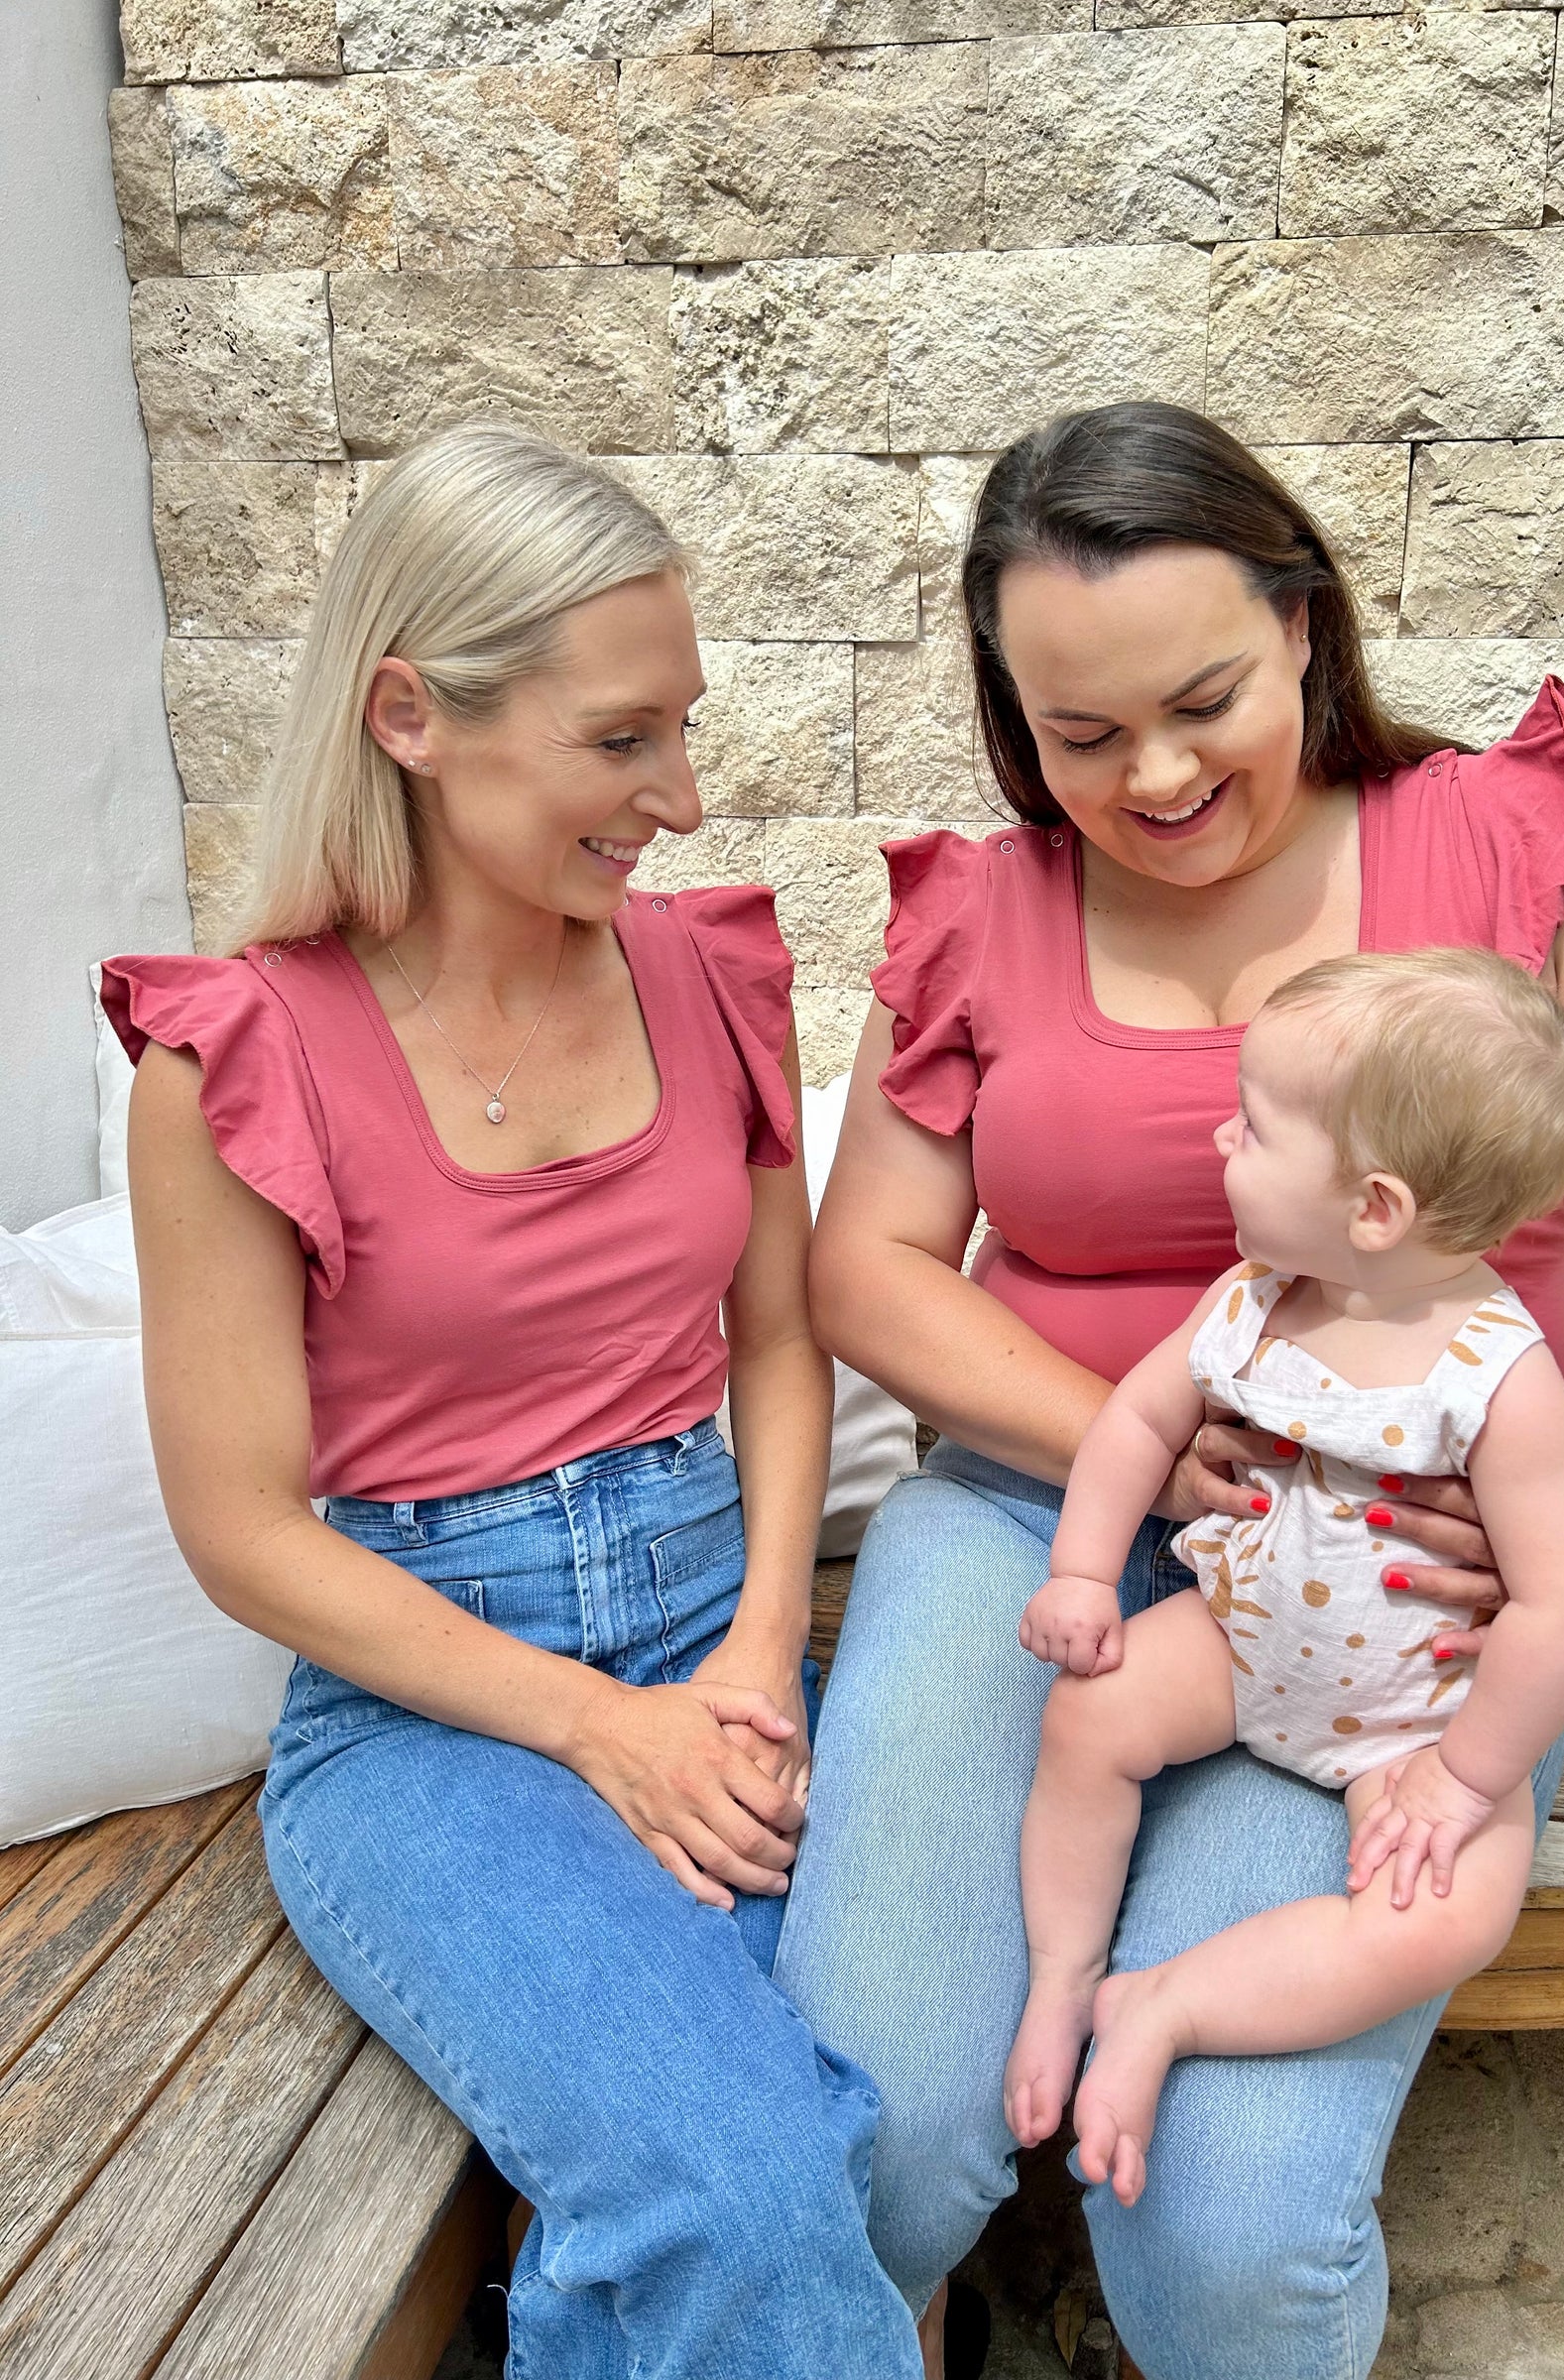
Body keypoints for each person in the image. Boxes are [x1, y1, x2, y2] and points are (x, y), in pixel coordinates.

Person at [773, 401, 1564, 2380]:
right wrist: (1138, 1461)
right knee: (877, 2134)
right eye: (1078, 737)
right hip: (1029, 1523)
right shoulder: (981, 916)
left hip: (1399, 1599)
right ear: (1013, 717)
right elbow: (863, 1266)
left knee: (1223, 2231)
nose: (1150, 777)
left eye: (1203, 697)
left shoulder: (1519, 851)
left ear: (1305, 622)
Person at [105, 422, 922, 2380]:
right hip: (427, 1721)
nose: (685, 793)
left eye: (682, 730)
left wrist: (749, 1654)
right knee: (740, 2187)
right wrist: (600, 1729)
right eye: (623, 739)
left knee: (868, 2147)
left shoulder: (710, 976)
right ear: (412, 713)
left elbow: (782, 1338)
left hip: (714, 1638)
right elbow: (241, 1531)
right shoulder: (232, 1065)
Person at [1007, 948, 1564, 2207]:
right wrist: (1081, 1573)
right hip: (1238, 1636)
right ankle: (1063, 1968)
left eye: (1257, 1124)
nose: (1224, 1132)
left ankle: (1170, 2006)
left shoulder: (1497, 1378)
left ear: (1376, 1208)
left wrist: (1465, 1779)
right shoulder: (1253, 1301)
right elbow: (1134, 1424)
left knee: (1447, 1915)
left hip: (1417, 1718)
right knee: (1089, 1714)